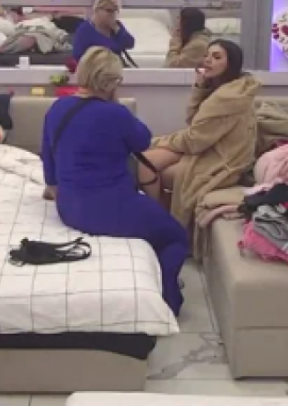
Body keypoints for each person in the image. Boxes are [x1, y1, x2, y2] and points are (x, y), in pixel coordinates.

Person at [41, 46, 188, 315]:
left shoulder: (57, 108)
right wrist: (116, 104)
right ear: (113, 82)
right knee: (176, 237)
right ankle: (169, 301)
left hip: (69, 209)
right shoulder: (115, 114)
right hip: (112, 208)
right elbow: (143, 141)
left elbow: (49, 169)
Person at [139, 40, 261, 250]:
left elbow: (194, 139)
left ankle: (164, 226)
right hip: (207, 148)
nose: (208, 60)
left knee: (149, 167)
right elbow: (193, 122)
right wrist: (200, 86)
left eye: (217, 57)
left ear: (231, 64)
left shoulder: (227, 98)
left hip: (219, 161)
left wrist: (160, 141)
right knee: (144, 160)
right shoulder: (225, 88)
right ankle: (161, 218)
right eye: (207, 55)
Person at [71, 0, 135, 62]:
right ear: (97, 10)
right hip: (95, 66)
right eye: (109, 10)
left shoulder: (117, 26)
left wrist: (117, 30)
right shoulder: (85, 29)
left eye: (115, 11)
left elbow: (130, 43)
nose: (112, 14)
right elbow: (77, 56)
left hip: (116, 65)